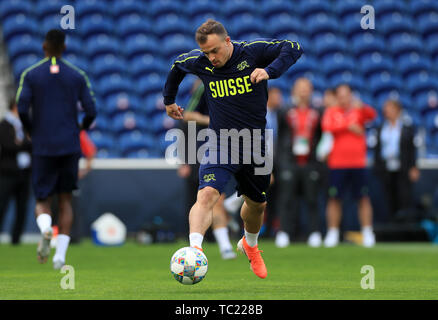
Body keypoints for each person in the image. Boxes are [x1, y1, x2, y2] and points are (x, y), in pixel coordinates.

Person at [163, 19, 303, 278]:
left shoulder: (252, 52)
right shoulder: (201, 62)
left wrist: (269, 71)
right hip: (220, 141)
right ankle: (195, 250)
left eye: (215, 50)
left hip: (255, 143)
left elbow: (293, 47)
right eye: (206, 52)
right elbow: (176, 67)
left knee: (257, 204)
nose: (211, 57)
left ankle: (250, 245)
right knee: (206, 194)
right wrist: (169, 100)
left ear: (227, 41)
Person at [16, 29, 96, 269]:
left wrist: (30, 129)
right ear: (64, 48)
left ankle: (45, 229)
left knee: (42, 199)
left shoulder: (31, 75)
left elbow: (21, 107)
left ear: (44, 47)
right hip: (69, 144)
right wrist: (81, 128)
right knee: (65, 200)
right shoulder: (77, 75)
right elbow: (91, 110)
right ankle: (60, 257)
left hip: (43, 145)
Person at [178, 80, 237, 259]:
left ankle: (233, 207)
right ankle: (219, 246)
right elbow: (186, 115)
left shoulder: (241, 86)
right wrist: (212, 121)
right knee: (211, 198)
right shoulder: (206, 87)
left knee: (257, 189)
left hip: (234, 147)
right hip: (207, 151)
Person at [321, 84, 377, 248]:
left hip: (358, 162)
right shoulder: (332, 111)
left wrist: (362, 108)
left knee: (363, 198)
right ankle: (332, 232)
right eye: (341, 95)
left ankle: (367, 232)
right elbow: (327, 126)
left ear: (351, 96)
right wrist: (349, 125)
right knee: (334, 199)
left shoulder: (358, 109)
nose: (344, 98)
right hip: (337, 163)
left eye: (346, 95)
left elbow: (372, 115)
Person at [275, 78, 323, 248]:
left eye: (306, 88)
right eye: (300, 88)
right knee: (286, 199)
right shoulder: (285, 110)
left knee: (312, 199)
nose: (303, 91)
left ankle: (314, 232)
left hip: (310, 161)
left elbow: (321, 135)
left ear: (311, 91)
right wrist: (281, 161)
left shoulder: (318, 110)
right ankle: (284, 232)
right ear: (294, 90)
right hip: (290, 160)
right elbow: (281, 137)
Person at [373, 99, 420, 223]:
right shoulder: (381, 127)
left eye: (390, 108)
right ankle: (391, 228)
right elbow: (377, 149)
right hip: (386, 168)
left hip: (403, 168)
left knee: (404, 198)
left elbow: (412, 149)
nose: (387, 111)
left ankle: (405, 228)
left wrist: (414, 166)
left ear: (398, 110)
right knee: (388, 198)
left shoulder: (406, 128)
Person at [0, 99, 32, 244]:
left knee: (22, 207)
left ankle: (16, 239)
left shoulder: (26, 125)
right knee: (2, 205)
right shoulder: (4, 125)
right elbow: (8, 146)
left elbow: (34, 144)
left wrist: (22, 143)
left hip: (24, 173)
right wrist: (25, 143)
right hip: (7, 173)